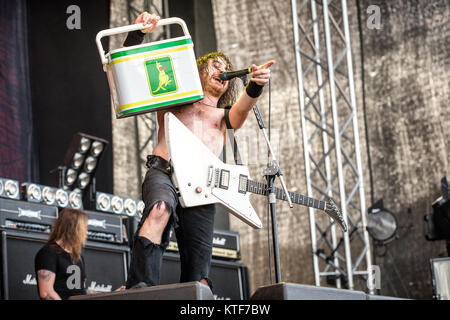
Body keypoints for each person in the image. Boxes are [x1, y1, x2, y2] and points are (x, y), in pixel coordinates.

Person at [124, 12, 274, 290]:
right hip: (164, 170)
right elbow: (130, 73)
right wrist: (138, 33)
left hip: (203, 187)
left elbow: (243, 110)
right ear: (200, 70)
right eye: (214, 65)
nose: (222, 70)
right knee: (158, 210)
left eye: (226, 69)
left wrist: (256, 83)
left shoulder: (223, 116)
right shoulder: (172, 98)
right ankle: (139, 287)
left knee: (199, 274)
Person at [34, 208, 125, 299]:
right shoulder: (49, 253)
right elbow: (46, 293)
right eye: (84, 228)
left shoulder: (77, 256)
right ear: (73, 229)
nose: (86, 233)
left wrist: (112, 295)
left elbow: (81, 292)